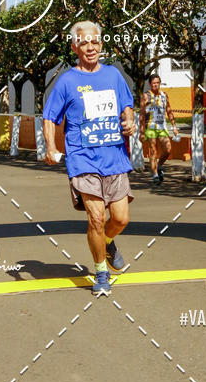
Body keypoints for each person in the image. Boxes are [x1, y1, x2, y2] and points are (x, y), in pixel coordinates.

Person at [43, 20, 136, 297]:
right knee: (96, 217)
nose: (90, 46)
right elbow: (49, 117)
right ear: (75, 47)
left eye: (94, 41)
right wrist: (50, 146)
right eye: (83, 42)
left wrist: (129, 122)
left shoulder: (113, 76)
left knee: (120, 219)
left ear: (101, 44)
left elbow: (126, 107)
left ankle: (108, 242)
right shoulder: (67, 81)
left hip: (115, 158)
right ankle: (101, 272)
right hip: (82, 159)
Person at [139, 74, 179, 185]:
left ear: (160, 83)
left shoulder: (164, 95)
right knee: (153, 151)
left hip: (162, 127)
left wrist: (174, 126)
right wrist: (141, 131)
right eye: (153, 83)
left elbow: (169, 111)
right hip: (150, 127)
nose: (155, 85)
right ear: (150, 84)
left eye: (157, 82)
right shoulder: (146, 96)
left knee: (168, 150)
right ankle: (155, 175)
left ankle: (159, 165)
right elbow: (141, 114)